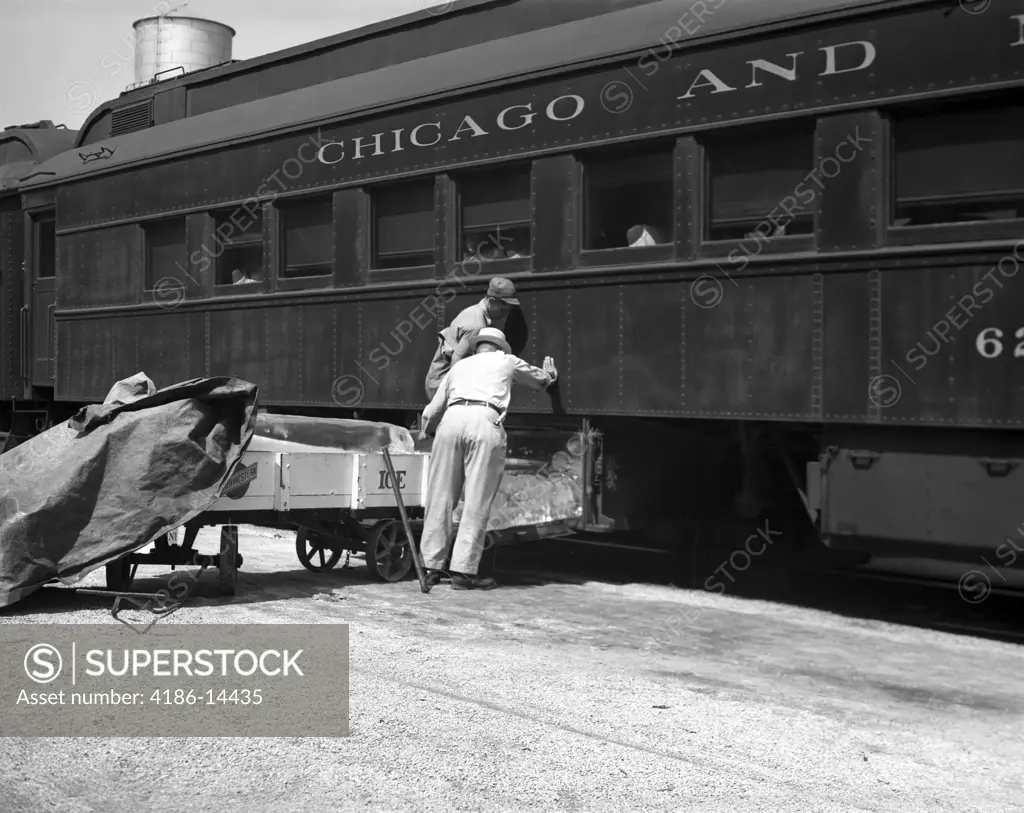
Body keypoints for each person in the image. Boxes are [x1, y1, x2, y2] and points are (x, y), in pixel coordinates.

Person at [419, 327, 557, 590]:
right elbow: (538, 380)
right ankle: (463, 572)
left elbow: (433, 409)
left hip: (450, 421)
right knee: (476, 499)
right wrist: (549, 376)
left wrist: (427, 431)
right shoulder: (506, 360)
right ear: (499, 347)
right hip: (484, 421)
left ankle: (429, 567)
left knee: (440, 497)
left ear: (478, 346)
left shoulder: (458, 368)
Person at [424, 277, 521, 401]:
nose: (504, 315)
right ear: (491, 301)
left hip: (441, 384)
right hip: (443, 387)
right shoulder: (476, 325)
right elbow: (456, 363)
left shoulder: (474, 311)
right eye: (502, 310)